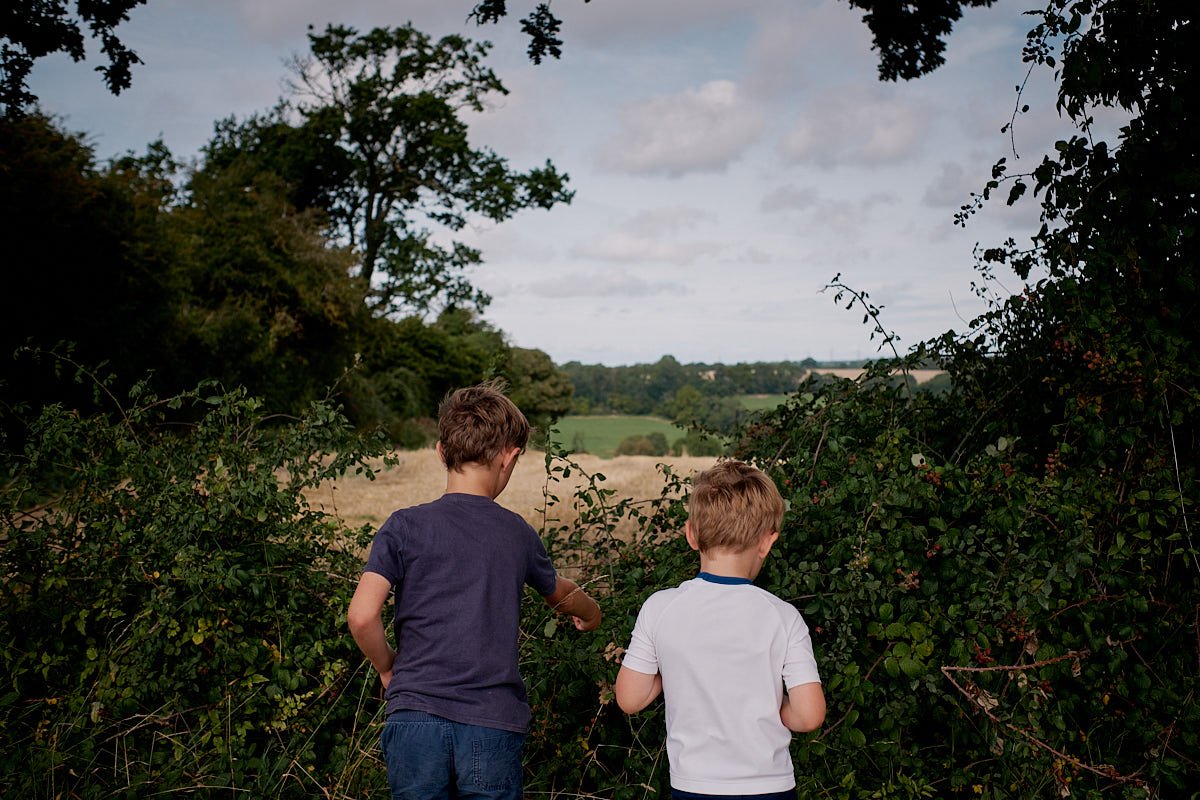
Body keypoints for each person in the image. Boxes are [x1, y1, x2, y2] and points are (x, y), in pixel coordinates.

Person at [347, 380, 602, 800]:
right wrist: (590, 613)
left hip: (415, 718)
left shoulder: (404, 526)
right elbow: (560, 592)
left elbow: (361, 615)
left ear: (441, 452)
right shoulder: (515, 533)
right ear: (510, 456)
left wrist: (388, 667)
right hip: (491, 721)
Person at [614, 460, 825, 800]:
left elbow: (629, 698)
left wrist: (676, 664)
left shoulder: (661, 608)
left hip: (694, 785)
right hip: (769, 786)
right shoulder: (783, 617)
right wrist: (780, 708)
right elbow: (809, 715)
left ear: (691, 534)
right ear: (767, 542)